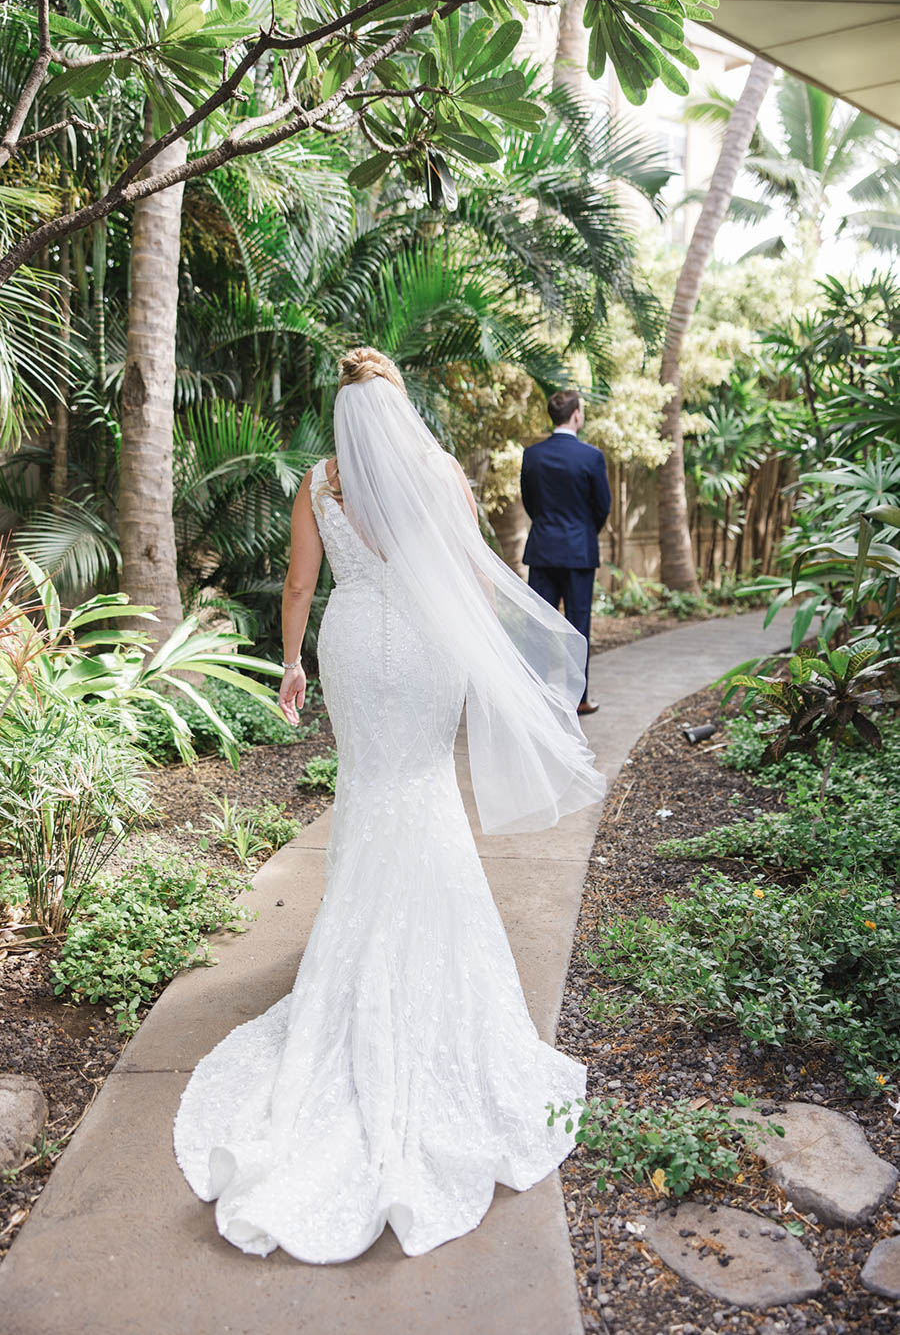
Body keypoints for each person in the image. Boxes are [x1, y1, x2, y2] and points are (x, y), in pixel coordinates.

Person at [173, 349, 606, 1264]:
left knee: (368, 793)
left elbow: (301, 585)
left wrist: (291, 664)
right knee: (424, 791)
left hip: (353, 646)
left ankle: (357, 953)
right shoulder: (439, 473)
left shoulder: (319, 482)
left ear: (343, 414)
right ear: (400, 408)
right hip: (424, 644)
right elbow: (470, 573)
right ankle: (425, 958)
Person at [520, 390, 611, 715]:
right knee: (578, 625)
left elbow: (529, 501)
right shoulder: (591, 457)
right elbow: (602, 506)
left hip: (543, 550)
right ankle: (580, 699)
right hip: (579, 552)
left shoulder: (532, 455)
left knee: (539, 626)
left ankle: (539, 698)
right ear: (575, 415)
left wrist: (549, 527)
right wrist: (583, 532)